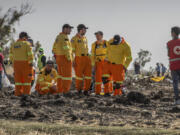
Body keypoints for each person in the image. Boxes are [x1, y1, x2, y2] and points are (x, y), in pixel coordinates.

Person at [9, 32, 34, 96]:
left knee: (18, 81)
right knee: (27, 81)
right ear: (24, 37)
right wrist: (31, 62)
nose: (26, 39)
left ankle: (17, 94)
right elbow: (30, 54)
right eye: (26, 37)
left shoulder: (13, 45)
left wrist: (13, 63)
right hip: (25, 64)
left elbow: (11, 56)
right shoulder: (26, 44)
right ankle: (26, 94)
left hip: (16, 64)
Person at [52, 24, 73, 94]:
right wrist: (69, 58)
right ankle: (66, 91)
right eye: (69, 29)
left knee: (60, 76)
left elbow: (53, 48)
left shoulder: (58, 37)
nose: (70, 30)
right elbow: (66, 48)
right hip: (65, 58)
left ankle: (59, 90)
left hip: (59, 58)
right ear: (65, 29)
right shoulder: (64, 37)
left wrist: (56, 56)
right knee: (67, 76)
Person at [71, 24, 92, 96]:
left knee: (88, 76)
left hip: (87, 58)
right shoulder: (74, 39)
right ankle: (79, 90)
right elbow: (72, 51)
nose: (85, 31)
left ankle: (86, 91)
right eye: (84, 29)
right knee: (79, 76)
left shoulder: (85, 38)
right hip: (78, 58)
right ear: (80, 30)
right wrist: (73, 60)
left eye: (85, 29)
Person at [91, 31, 112, 96]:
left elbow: (110, 51)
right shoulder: (94, 44)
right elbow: (92, 55)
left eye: (98, 35)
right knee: (98, 78)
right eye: (96, 36)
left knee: (107, 78)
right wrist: (93, 64)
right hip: (98, 63)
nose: (97, 37)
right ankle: (97, 92)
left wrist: (108, 58)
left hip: (106, 63)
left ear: (102, 36)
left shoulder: (106, 43)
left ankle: (107, 92)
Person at [167, 26, 180, 105]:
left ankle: (177, 100)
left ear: (173, 33)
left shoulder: (169, 43)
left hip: (174, 66)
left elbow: (168, 54)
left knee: (175, 83)